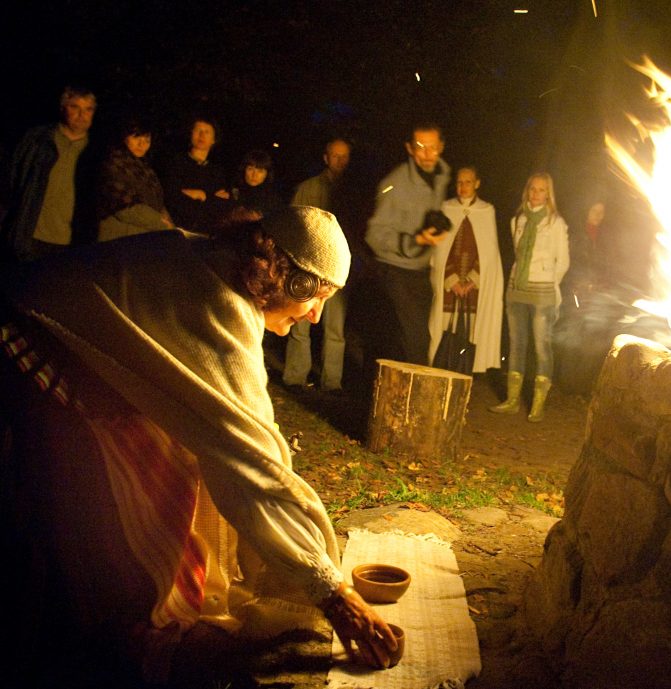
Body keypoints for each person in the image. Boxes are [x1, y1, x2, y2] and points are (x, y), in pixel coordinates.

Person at [0, 207, 397, 687]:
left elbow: (249, 439)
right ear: (287, 281)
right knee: (106, 513)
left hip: (68, 355)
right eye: (316, 297)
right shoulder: (217, 303)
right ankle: (117, 633)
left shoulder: (218, 261)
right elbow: (253, 464)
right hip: (24, 356)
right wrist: (334, 594)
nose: (315, 314)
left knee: (178, 466)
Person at [365, 123, 451, 365]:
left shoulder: (442, 176)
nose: (427, 154)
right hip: (394, 273)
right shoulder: (393, 184)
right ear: (410, 149)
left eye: (432, 148)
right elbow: (373, 235)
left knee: (417, 341)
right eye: (420, 147)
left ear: (441, 147)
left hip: (421, 272)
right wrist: (416, 240)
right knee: (410, 344)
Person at [490, 172, 569, 422]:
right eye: (533, 189)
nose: (536, 194)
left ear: (549, 194)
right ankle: (512, 400)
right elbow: (516, 253)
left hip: (543, 290)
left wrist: (549, 282)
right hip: (517, 288)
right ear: (527, 191)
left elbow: (563, 261)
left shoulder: (556, 223)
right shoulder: (518, 220)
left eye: (542, 190)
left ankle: (538, 404)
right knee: (517, 343)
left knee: (541, 345)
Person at [1, 85, 98, 262]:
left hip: (73, 243)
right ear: (63, 108)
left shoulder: (98, 151)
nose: (81, 115)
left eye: (88, 109)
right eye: (74, 107)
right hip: (32, 236)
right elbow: (11, 181)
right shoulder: (37, 141)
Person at [285, 137, 351, 390]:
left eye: (344, 156)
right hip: (309, 266)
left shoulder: (353, 193)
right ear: (326, 158)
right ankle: (295, 377)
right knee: (300, 322)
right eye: (335, 155)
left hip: (339, 271)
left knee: (335, 329)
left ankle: (332, 382)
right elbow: (293, 222)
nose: (339, 161)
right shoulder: (309, 188)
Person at [429, 165, 504, 373]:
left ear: (477, 184)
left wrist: (472, 280)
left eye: (468, 182)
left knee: (469, 332)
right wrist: (452, 280)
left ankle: (464, 374)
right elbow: (440, 251)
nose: (463, 186)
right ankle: (440, 372)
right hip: (449, 286)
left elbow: (489, 254)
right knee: (443, 329)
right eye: (460, 182)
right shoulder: (446, 208)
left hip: (474, 289)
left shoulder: (486, 211)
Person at [96, 114, 174, 242]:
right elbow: (125, 207)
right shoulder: (113, 162)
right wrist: (165, 226)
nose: (142, 144)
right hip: (118, 240)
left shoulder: (144, 167)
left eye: (147, 139)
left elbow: (158, 202)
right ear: (124, 136)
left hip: (143, 237)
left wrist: (169, 223)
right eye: (136, 137)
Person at [160, 116, 231, 234]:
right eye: (198, 130)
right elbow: (171, 195)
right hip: (177, 229)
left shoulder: (217, 172)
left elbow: (223, 203)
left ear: (214, 139)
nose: (202, 135)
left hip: (207, 233)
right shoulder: (175, 163)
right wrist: (209, 197)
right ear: (191, 134)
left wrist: (203, 195)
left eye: (207, 132)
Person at [229, 148, 283, 222]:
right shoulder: (232, 192)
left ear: (266, 174)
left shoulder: (272, 199)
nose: (254, 175)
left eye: (260, 171)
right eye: (250, 169)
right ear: (244, 170)